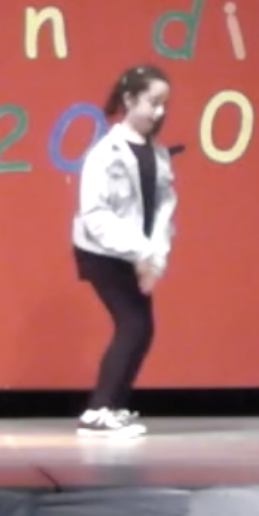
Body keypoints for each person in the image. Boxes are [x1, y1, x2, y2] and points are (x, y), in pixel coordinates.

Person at [72, 65, 177, 439]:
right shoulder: (104, 153)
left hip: (136, 252)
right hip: (102, 251)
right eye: (153, 102)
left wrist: (155, 257)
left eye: (164, 104)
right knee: (132, 323)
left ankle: (112, 406)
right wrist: (140, 251)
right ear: (129, 99)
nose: (159, 112)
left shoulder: (158, 154)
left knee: (142, 327)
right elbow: (95, 214)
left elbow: (164, 208)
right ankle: (98, 411)